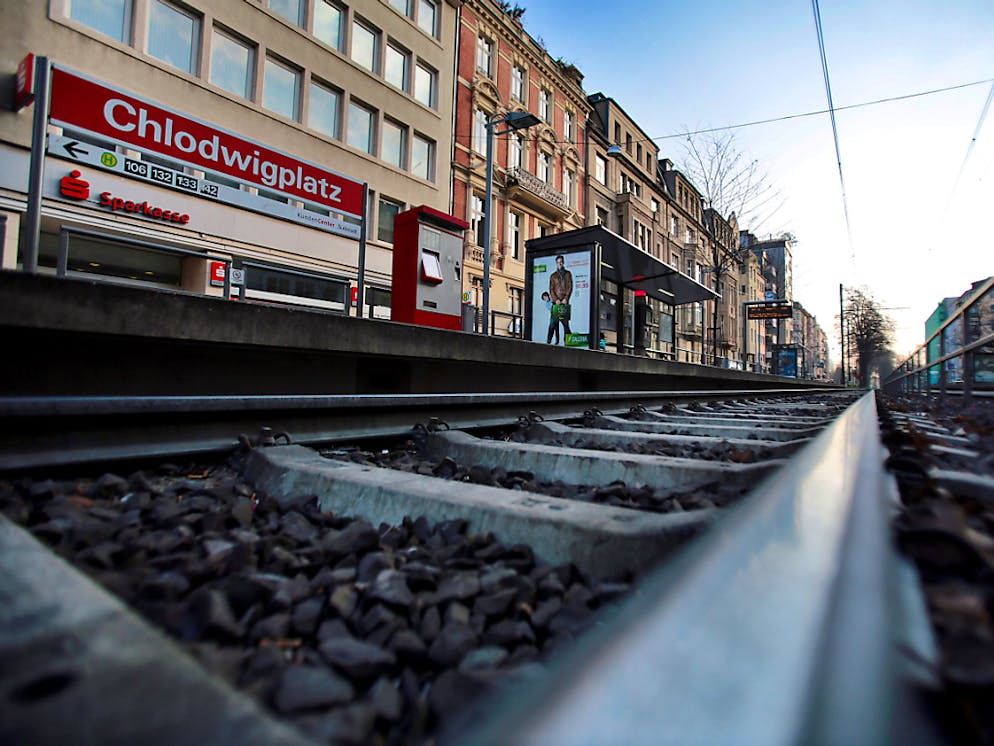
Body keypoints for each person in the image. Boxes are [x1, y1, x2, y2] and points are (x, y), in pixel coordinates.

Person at [547, 254, 573, 344]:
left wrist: (566, 298)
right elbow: (551, 289)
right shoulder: (553, 276)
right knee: (552, 324)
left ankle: (568, 342)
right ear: (556, 263)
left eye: (561, 262)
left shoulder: (568, 274)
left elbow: (570, 286)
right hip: (556, 303)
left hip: (564, 303)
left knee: (565, 324)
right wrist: (555, 299)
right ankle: (548, 340)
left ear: (563, 262)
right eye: (558, 262)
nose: (560, 264)